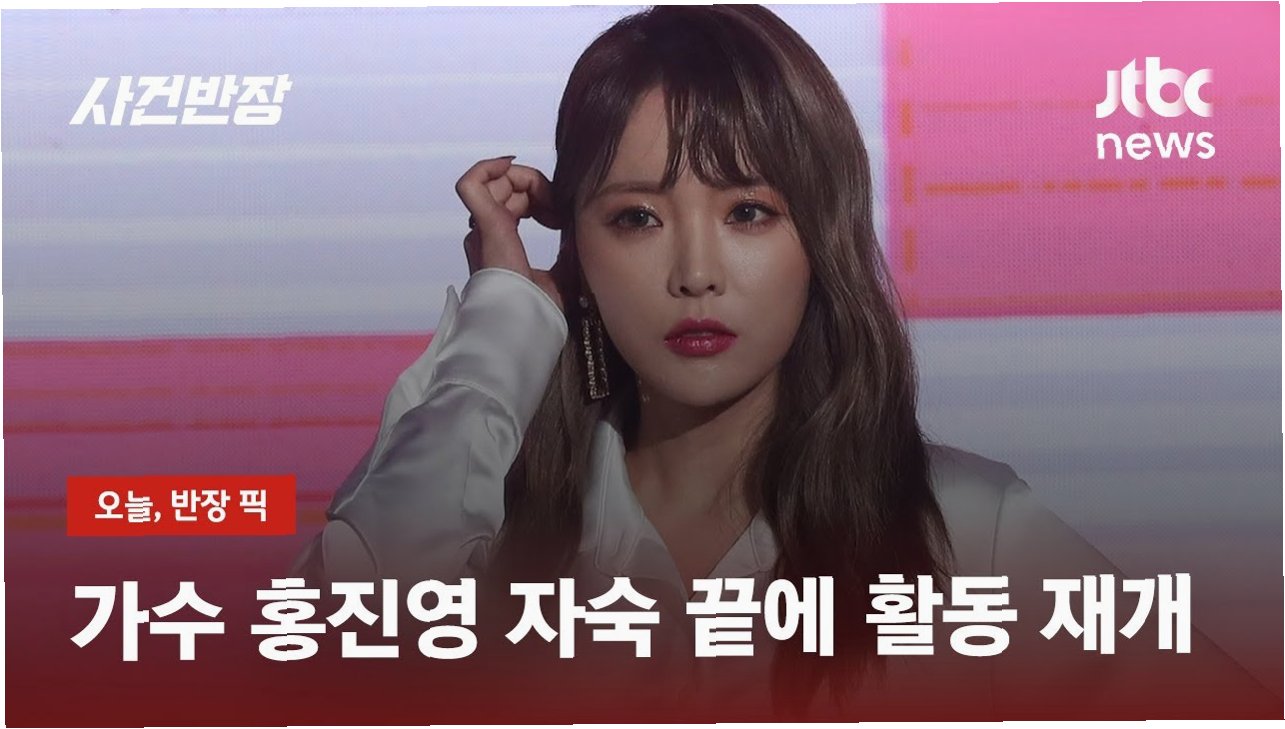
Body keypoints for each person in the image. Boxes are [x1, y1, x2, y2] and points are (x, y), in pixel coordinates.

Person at [293, 5, 1277, 721]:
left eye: (748, 212)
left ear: (820, 238)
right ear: (577, 250)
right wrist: (507, 326)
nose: (694, 272)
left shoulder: (967, 534)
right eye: (636, 218)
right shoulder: (484, 511)